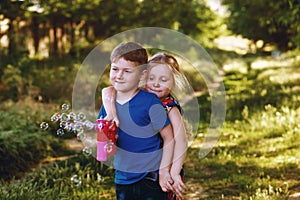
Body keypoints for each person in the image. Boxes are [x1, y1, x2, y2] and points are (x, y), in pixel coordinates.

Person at [102, 52, 189, 199]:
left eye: (163, 80)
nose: (156, 84)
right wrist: (111, 113)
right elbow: (108, 90)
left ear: (173, 82)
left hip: (162, 169)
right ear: (143, 77)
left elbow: (181, 141)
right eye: (151, 78)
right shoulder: (139, 95)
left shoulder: (169, 108)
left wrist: (172, 172)